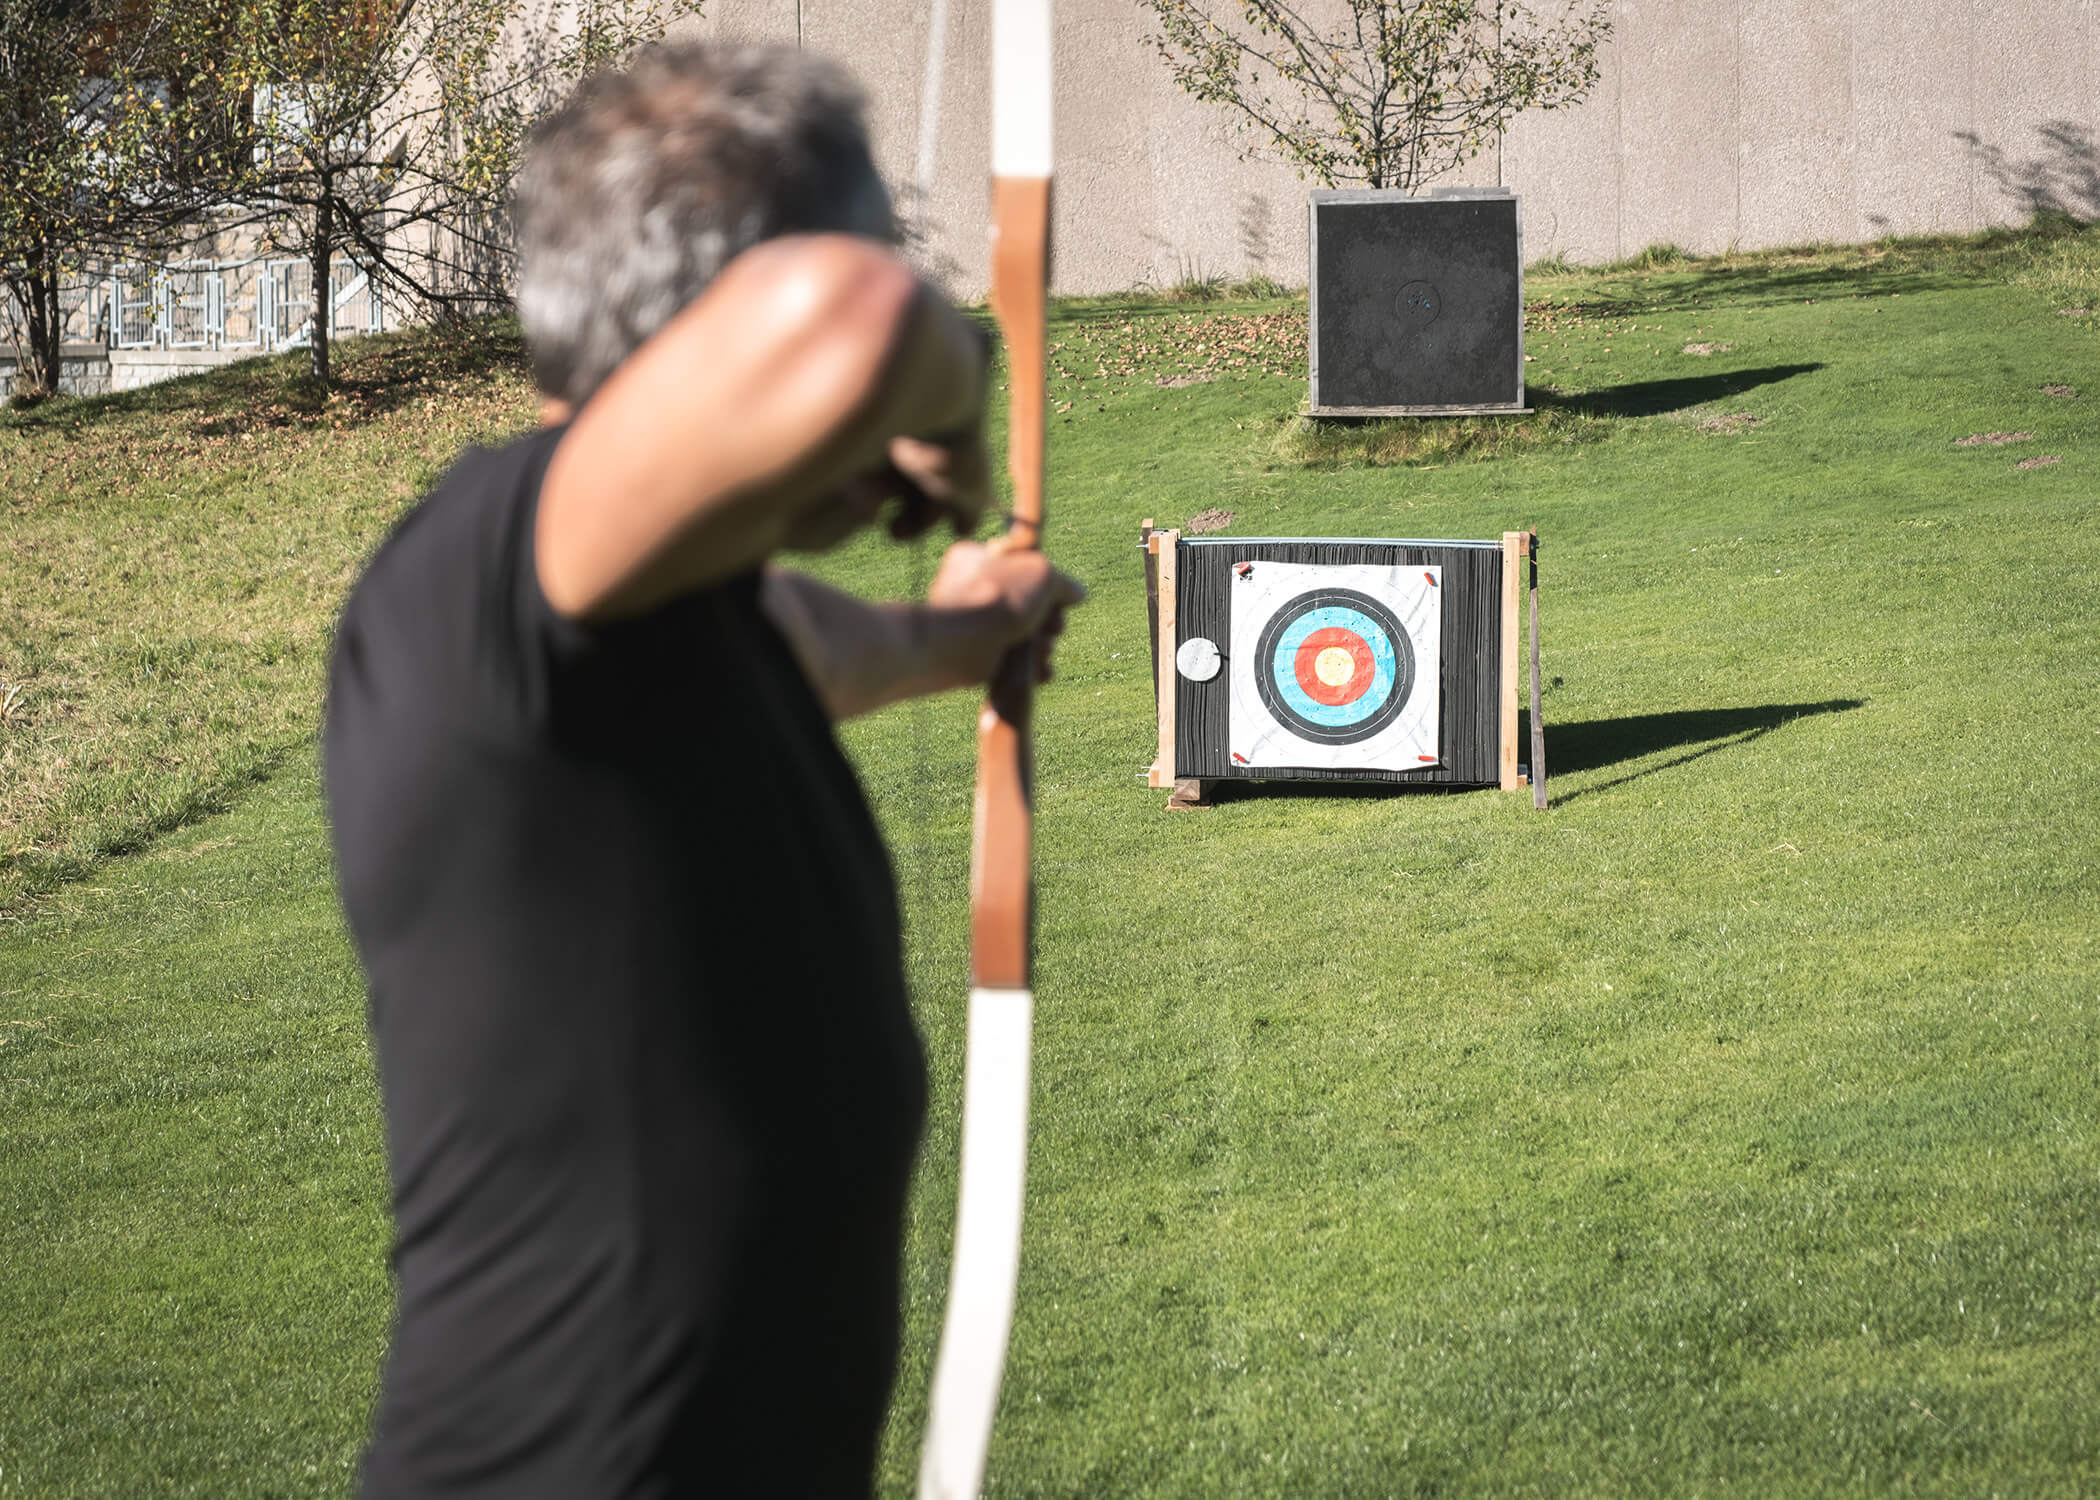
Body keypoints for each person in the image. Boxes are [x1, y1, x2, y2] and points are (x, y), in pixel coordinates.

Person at [322, 42, 1083, 1499]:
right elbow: (857, 324)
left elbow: (818, 640)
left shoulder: (673, 616)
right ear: (728, 315)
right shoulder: (493, 552)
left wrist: (967, 627)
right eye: (884, 247)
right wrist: (952, 423)